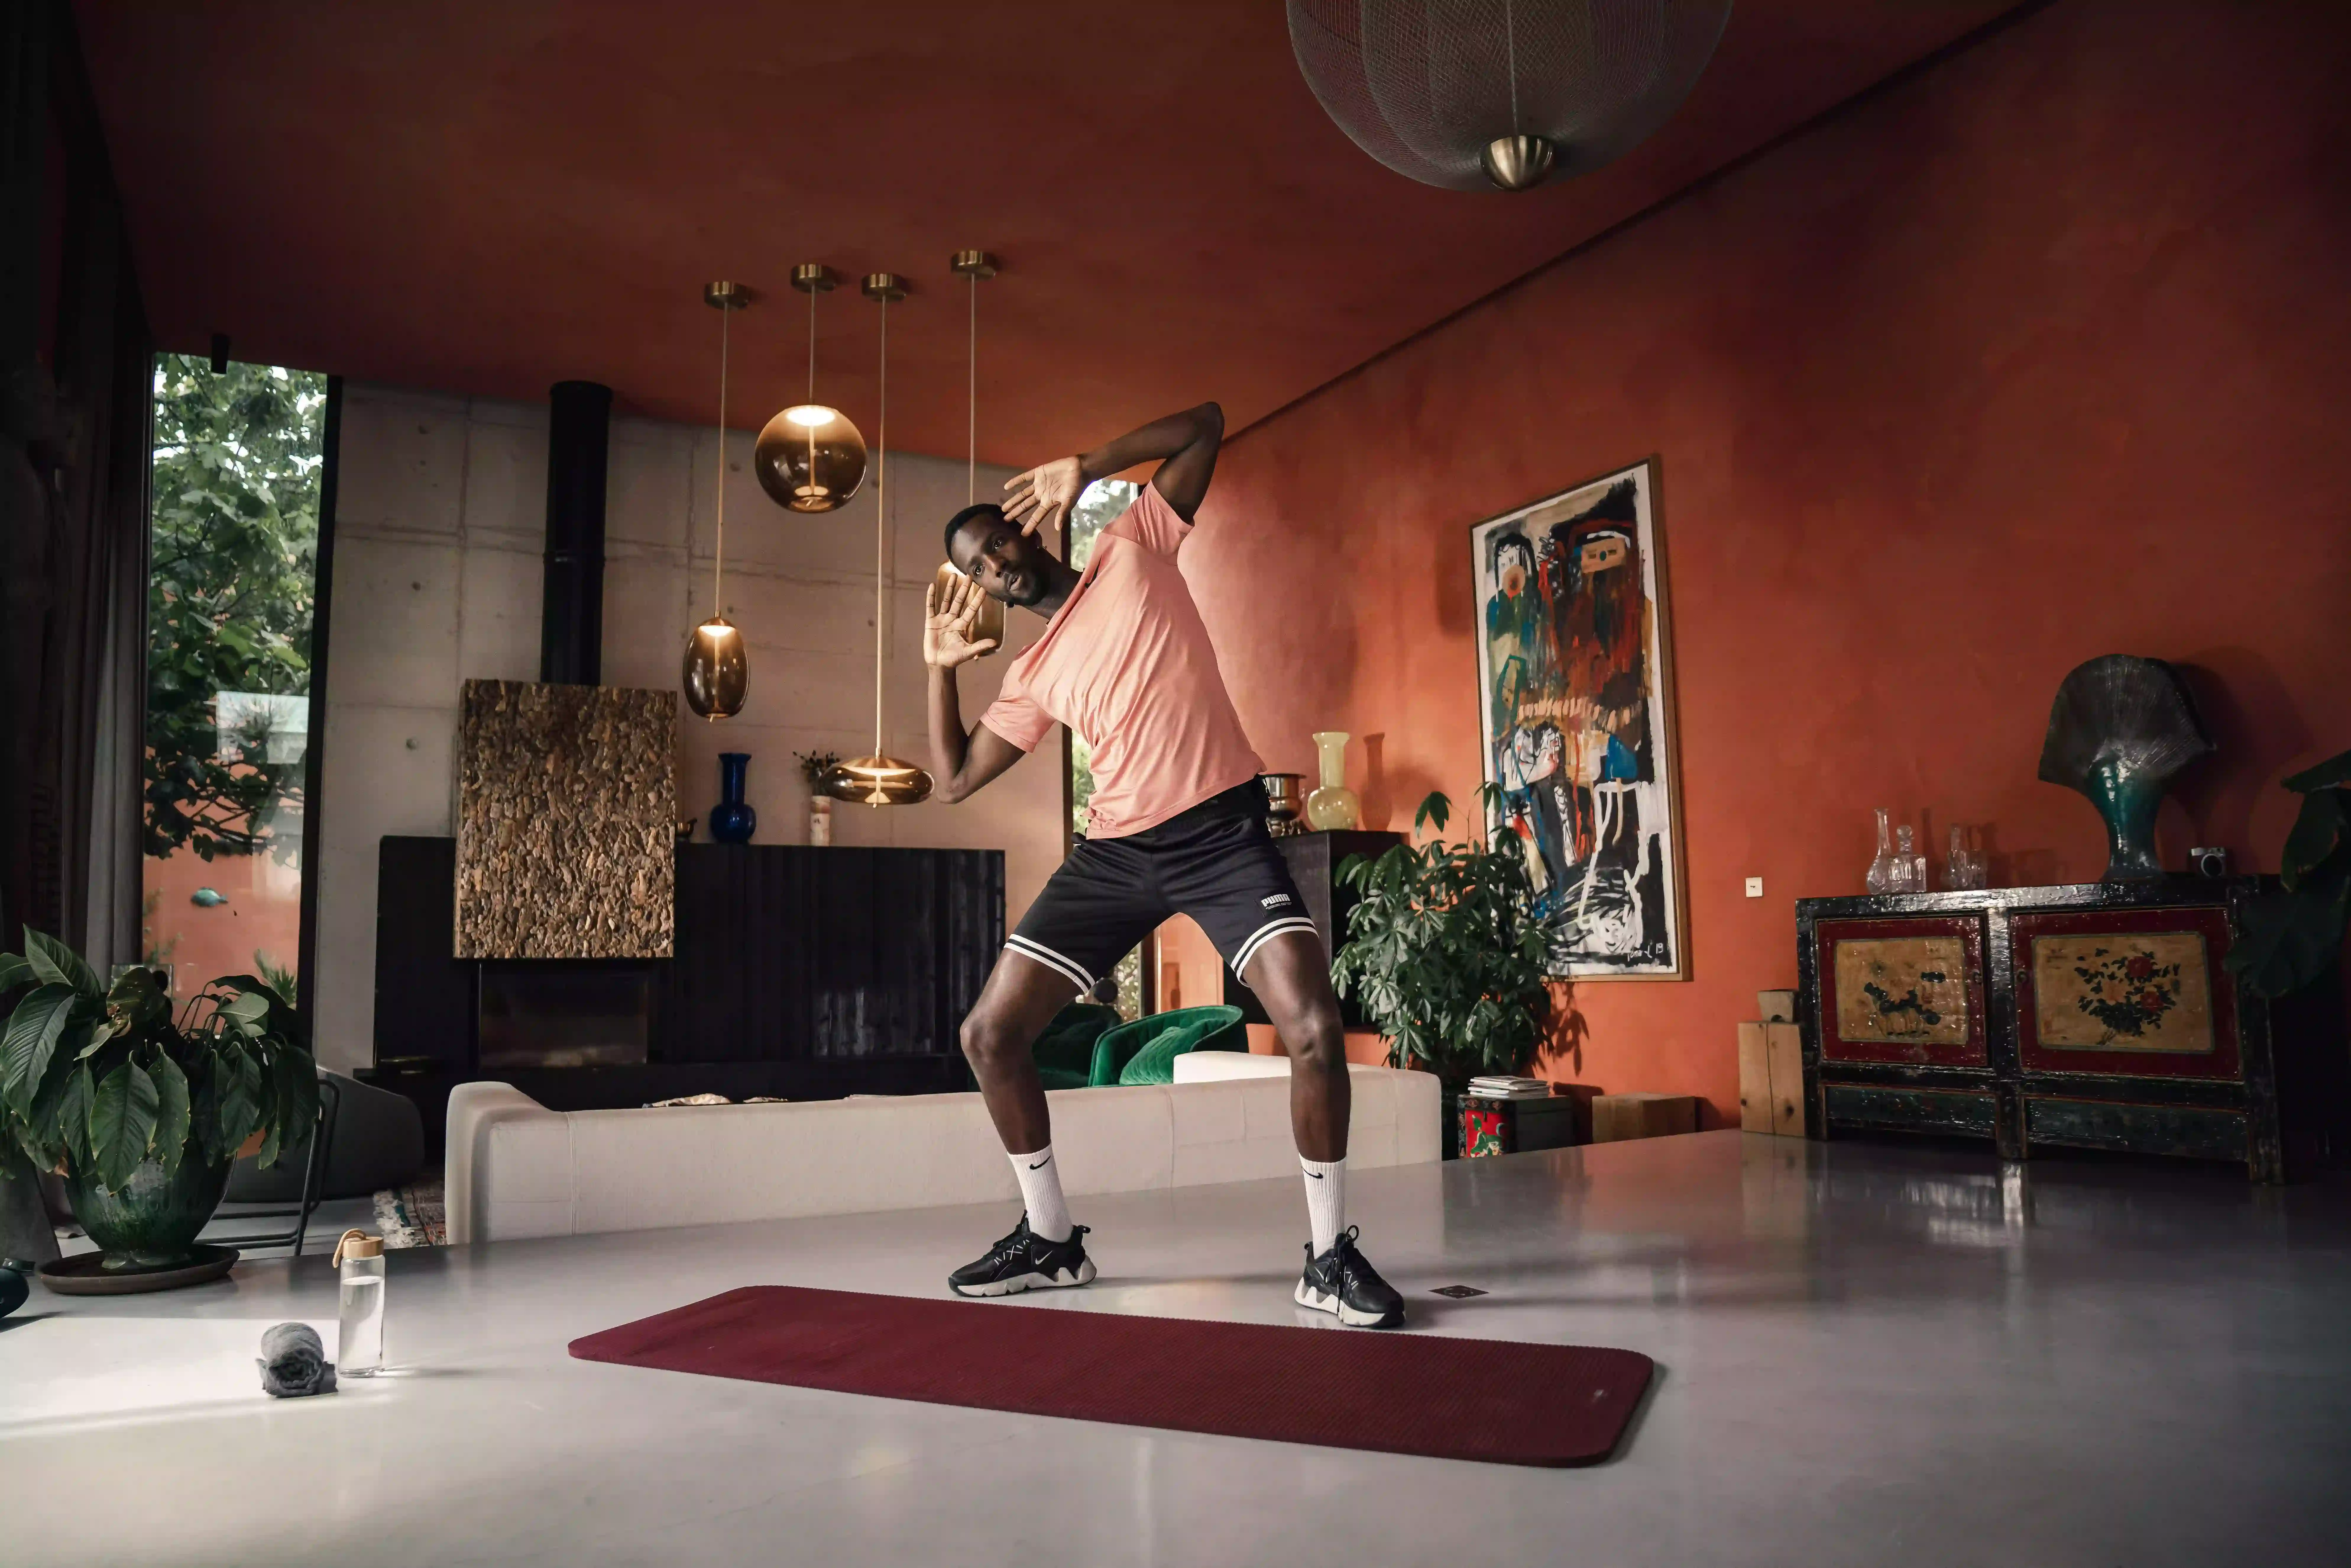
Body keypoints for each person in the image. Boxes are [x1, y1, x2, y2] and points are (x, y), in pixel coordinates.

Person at [922, 401, 1406, 1329]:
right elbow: (950, 782)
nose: (996, 567)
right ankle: (1051, 1241)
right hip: (1116, 853)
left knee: (1311, 1025)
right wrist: (939, 667)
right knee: (988, 1035)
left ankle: (1329, 1257)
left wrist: (1089, 464)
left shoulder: (1133, 544)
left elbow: (1206, 427)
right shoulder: (1028, 675)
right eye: (975, 569)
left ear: (1027, 530)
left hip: (1222, 838)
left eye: (997, 544)